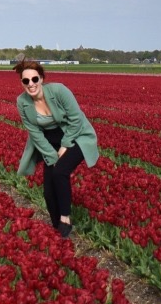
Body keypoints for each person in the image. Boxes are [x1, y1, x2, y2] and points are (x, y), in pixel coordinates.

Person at [13, 59, 98, 237]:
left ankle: (65, 219)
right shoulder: (22, 102)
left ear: (42, 79)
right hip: (48, 142)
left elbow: (76, 119)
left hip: (76, 136)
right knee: (49, 191)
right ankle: (57, 232)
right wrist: (52, 155)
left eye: (34, 79)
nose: (31, 84)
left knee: (60, 172)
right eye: (26, 81)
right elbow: (35, 133)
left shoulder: (59, 91)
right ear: (22, 83)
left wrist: (66, 144)